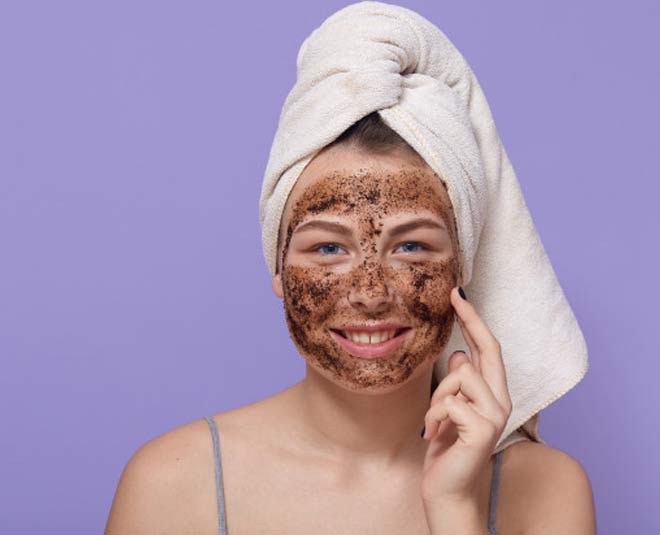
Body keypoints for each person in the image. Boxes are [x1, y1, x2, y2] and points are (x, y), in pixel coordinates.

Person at [105, 3, 596, 534]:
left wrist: (455, 506)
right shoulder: (172, 483)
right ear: (278, 267)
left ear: (462, 268)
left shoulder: (547, 490)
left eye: (411, 247)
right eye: (328, 249)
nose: (370, 292)